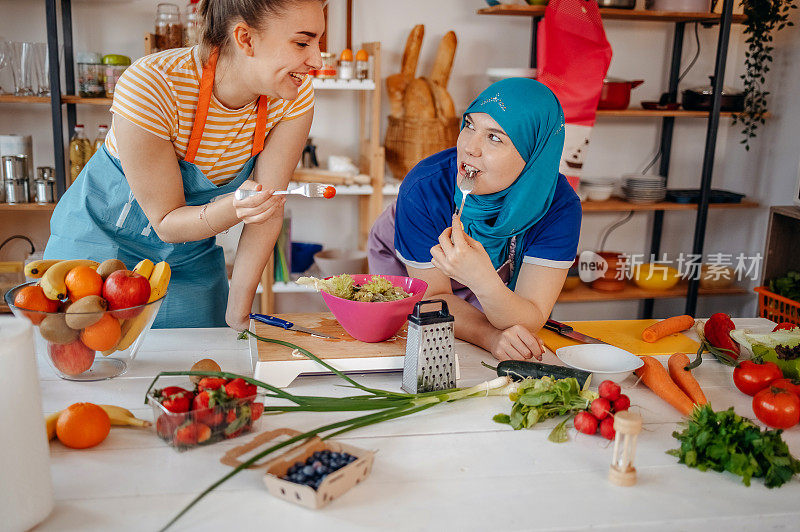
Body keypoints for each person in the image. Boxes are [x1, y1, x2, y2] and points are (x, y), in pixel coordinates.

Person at [45, 0, 325, 329]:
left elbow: (267, 209)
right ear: (245, 38)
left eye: (318, 42)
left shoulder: (294, 95)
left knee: (205, 368)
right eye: (302, 43)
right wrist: (237, 207)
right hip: (100, 246)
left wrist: (238, 315)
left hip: (189, 256)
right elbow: (166, 221)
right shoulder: (152, 84)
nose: (316, 60)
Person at [368, 78, 581, 361]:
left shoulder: (559, 207)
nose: (470, 147)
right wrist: (490, 336)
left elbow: (531, 316)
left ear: (534, 155)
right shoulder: (423, 188)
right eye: (469, 125)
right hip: (411, 271)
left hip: (487, 283)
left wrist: (482, 281)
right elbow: (432, 299)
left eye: (494, 137)